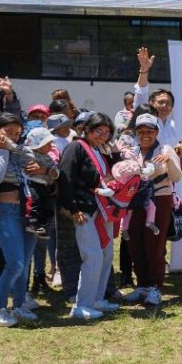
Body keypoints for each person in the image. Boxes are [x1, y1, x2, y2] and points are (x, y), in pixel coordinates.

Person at [0, 113, 47, 326]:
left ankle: (18, 306)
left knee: (23, 263)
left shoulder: (17, 150)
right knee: (14, 262)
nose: (14, 137)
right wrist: (5, 149)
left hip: (26, 211)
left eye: (17, 133)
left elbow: (41, 160)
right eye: (9, 132)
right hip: (3, 211)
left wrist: (46, 169)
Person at [56, 112, 121, 320]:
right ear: (87, 130)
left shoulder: (100, 150)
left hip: (102, 209)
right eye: (98, 131)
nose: (102, 135)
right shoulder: (75, 147)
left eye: (107, 132)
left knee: (106, 254)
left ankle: (97, 298)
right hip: (84, 210)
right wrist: (73, 209)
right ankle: (81, 304)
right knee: (92, 255)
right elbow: (65, 178)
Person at [121, 113, 182, 307]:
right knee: (135, 243)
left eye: (149, 131)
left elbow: (177, 177)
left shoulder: (165, 149)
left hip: (159, 200)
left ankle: (155, 287)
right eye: (141, 131)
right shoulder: (132, 151)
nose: (145, 135)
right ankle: (142, 285)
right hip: (135, 202)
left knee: (154, 245)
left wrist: (170, 160)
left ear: (157, 132)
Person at [132, 47, 181, 148]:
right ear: (151, 103)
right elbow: (141, 91)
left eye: (168, 103)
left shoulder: (176, 126)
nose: (164, 105)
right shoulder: (145, 119)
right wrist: (144, 69)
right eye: (161, 102)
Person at [16, 127, 59, 238]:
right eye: (47, 143)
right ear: (37, 144)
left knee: (48, 207)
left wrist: (51, 172)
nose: (50, 146)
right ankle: (33, 224)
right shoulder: (27, 153)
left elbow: (56, 170)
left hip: (44, 185)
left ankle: (43, 227)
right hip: (31, 183)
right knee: (34, 202)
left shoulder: (49, 158)